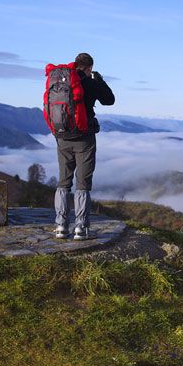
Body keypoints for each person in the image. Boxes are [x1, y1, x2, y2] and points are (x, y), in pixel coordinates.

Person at [54, 52, 115, 240]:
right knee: (83, 183)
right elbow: (109, 100)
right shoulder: (89, 82)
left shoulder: (60, 82)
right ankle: (81, 228)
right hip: (84, 139)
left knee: (63, 182)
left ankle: (61, 227)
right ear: (89, 67)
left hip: (62, 136)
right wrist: (99, 80)